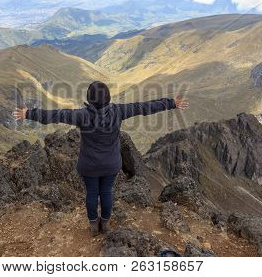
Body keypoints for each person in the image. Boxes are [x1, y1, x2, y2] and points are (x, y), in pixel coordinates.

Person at [13, 81, 188, 236]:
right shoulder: (118, 111)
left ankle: (93, 226)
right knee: (106, 192)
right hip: (111, 165)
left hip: (88, 165)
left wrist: (29, 113)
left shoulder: (81, 115)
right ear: (108, 98)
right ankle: (105, 223)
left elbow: (56, 115)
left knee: (91, 193)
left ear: (89, 99)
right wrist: (171, 103)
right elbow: (143, 107)